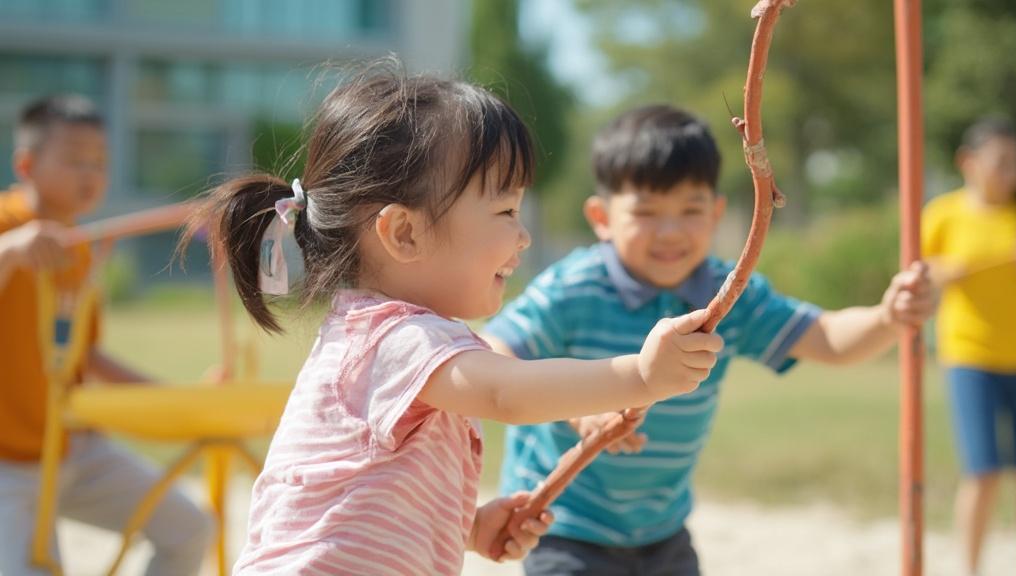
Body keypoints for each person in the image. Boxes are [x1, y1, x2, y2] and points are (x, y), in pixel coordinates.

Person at [188, 63, 725, 576]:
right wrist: (642, 375)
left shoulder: (374, 334)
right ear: (404, 234)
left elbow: (365, 494)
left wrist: (467, 528)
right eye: (505, 212)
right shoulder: (396, 337)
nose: (523, 236)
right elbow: (506, 394)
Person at [484, 104, 937, 575]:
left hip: (663, 531)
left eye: (691, 210)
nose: (670, 231)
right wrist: (578, 405)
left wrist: (888, 317)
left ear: (717, 212)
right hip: (563, 525)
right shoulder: (572, 288)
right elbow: (493, 351)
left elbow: (827, 339)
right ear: (602, 217)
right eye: (646, 211)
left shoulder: (729, 294)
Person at [0, 95, 214, 575]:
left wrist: (180, 403)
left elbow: (85, 358)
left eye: (100, 162)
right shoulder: (8, 225)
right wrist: (12, 250)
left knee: (190, 529)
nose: (91, 174)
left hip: (71, 449)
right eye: (75, 160)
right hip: (7, 465)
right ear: (26, 165)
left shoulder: (77, 250)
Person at [922, 117, 1016, 576]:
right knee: (982, 472)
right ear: (969, 162)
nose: (1010, 173)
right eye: (1001, 162)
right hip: (970, 358)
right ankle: (970, 568)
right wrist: (945, 269)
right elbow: (916, 271)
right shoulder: (943, 214)